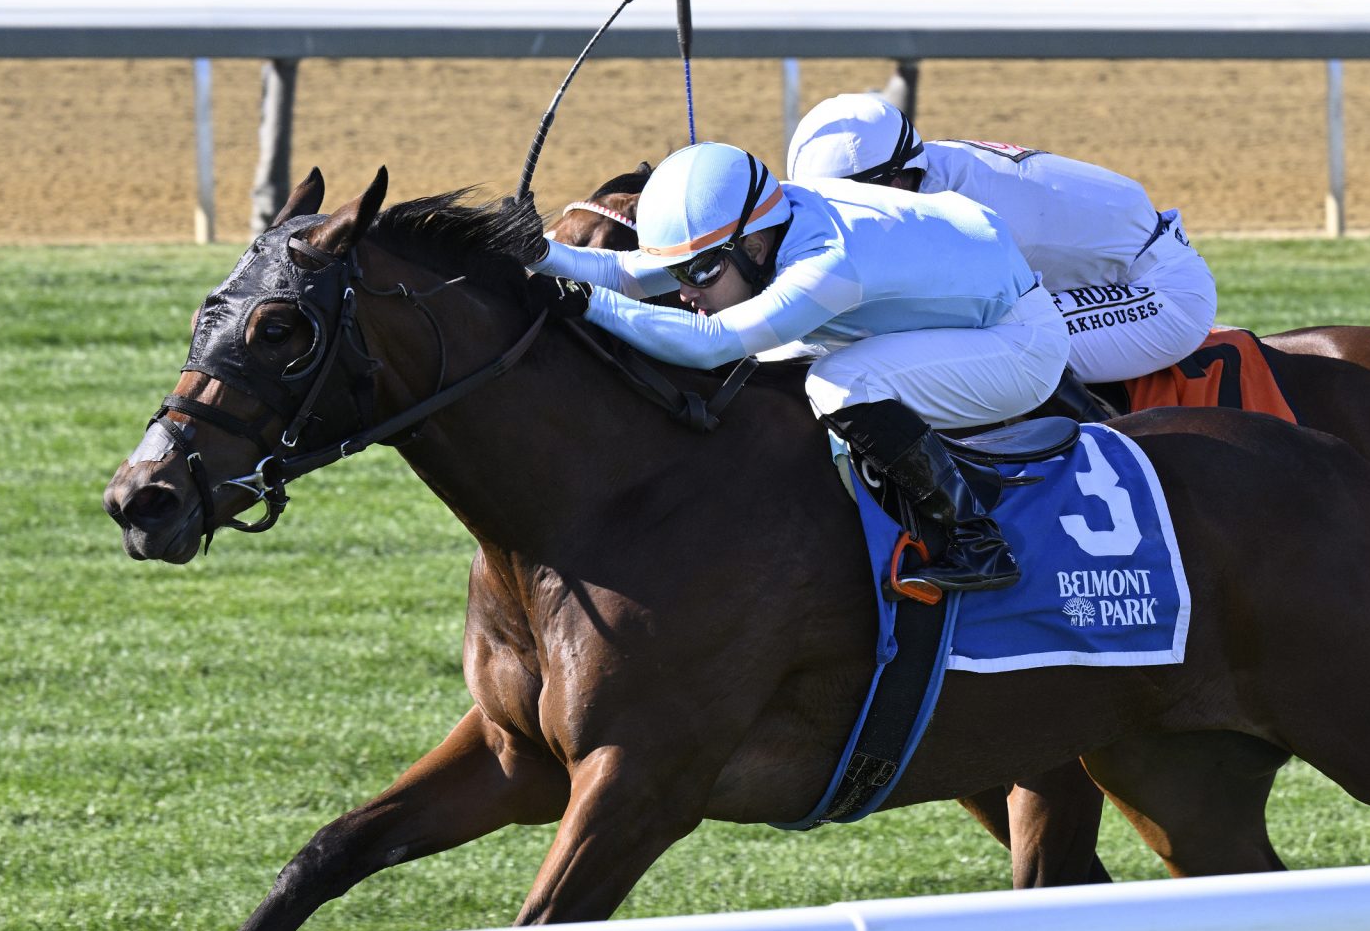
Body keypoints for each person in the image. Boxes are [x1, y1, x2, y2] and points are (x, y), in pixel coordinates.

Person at [517, 141, 1067, 595]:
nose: (684, 292)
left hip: (1017, 345)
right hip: (961, 304)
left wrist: (585, 300)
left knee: (839, 383)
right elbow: (634, 275)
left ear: (755, 248)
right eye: (680, 272)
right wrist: (536, 252)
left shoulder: (828, 263)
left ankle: (976, 541)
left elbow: (711, 343)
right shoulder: (765, 221)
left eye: (700, 272)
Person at [785, 94, 1216, 387]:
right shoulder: (917, 178)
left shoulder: (963, 212)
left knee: (971, 352)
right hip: (1114, 259)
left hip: (1161, 293)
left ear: (895, 180)